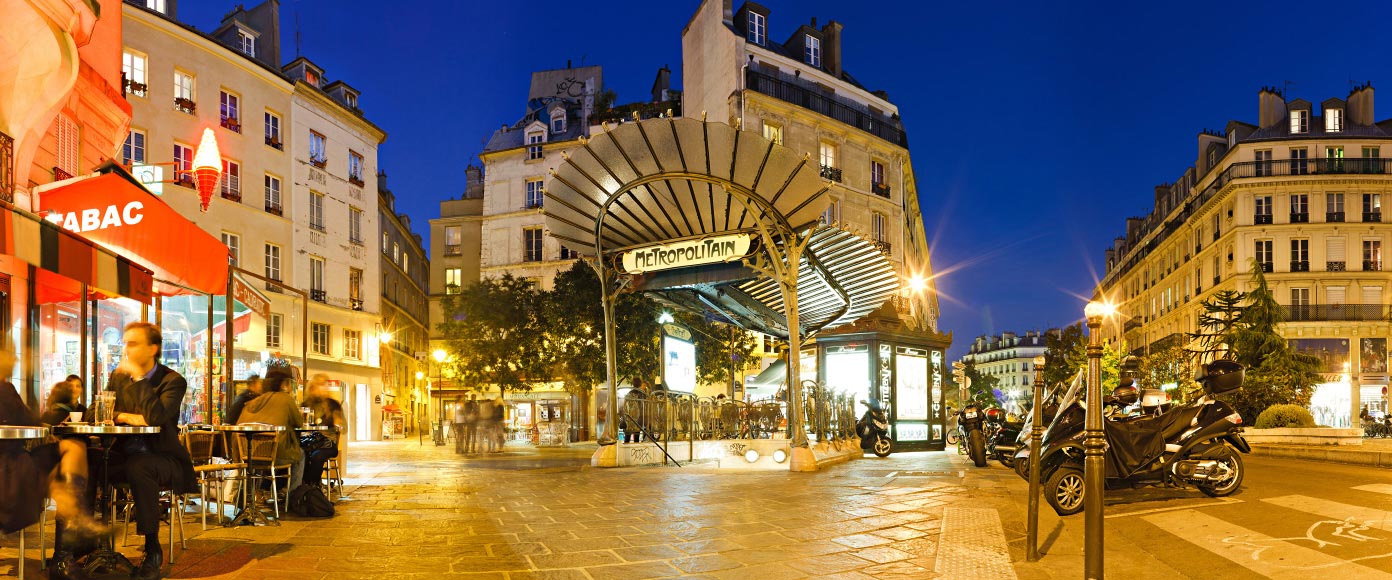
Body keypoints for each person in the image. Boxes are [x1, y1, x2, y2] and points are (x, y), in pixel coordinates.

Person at [0, 345, 105, 580]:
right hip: (8, 468)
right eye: (10, 353)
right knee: (68, 458)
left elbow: (31, 423)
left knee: (73, 448)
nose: (15, 358)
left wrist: (47, 431)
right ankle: (68, 545)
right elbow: (29, 421)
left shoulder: (6, 387)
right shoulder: (4, 389)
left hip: (17, 461)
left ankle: (70, 538)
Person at [106, 322, 197, 580]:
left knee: (141, 467)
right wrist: (126, 415)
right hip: (124, 453)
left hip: (163, 459)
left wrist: (137, 378)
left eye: (133, 343)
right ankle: (79, 544)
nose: (126, 349)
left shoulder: (173, 381)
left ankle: (152, 549)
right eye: (125, 343)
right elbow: (97, 411)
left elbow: (156, 417)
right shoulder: (117, 378)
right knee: (90, 461)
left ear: (152, 348)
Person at [237, 369, 305, 491]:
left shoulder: (253, 402)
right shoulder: (286, 399)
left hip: (248, 455)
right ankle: (293, 497)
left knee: (265, 461)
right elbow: (299, 423)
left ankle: (256, 494)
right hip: (275, 455)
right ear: (283, 384)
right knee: (300, 455)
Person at [300, 374, 345, 486]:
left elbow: (342, 427)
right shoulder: (305, 405)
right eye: (320, 385)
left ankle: (312, 486)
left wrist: (338, 423)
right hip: (308, 442)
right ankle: (302, 486)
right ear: (312, 387)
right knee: (300, 454)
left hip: (327, 443)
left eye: (325, 385)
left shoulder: (333, 404)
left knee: (317, 456)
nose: (324, 388)